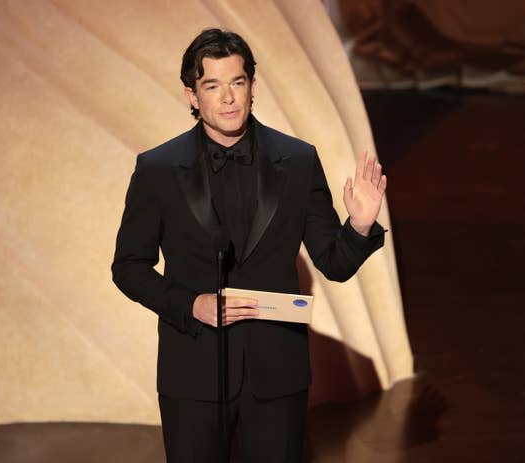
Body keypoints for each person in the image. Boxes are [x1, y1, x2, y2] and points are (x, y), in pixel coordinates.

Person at [112, 28, 387, 462]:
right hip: (193, 370)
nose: (227, 98)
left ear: (252, 87)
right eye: (212, 85)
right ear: (191, 95)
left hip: (276, 373)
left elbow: (333, 263)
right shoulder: (158, 169)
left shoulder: (297, 161)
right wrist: (191, 304)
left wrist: (359, 225)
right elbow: (128, 266)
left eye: (237, 82)